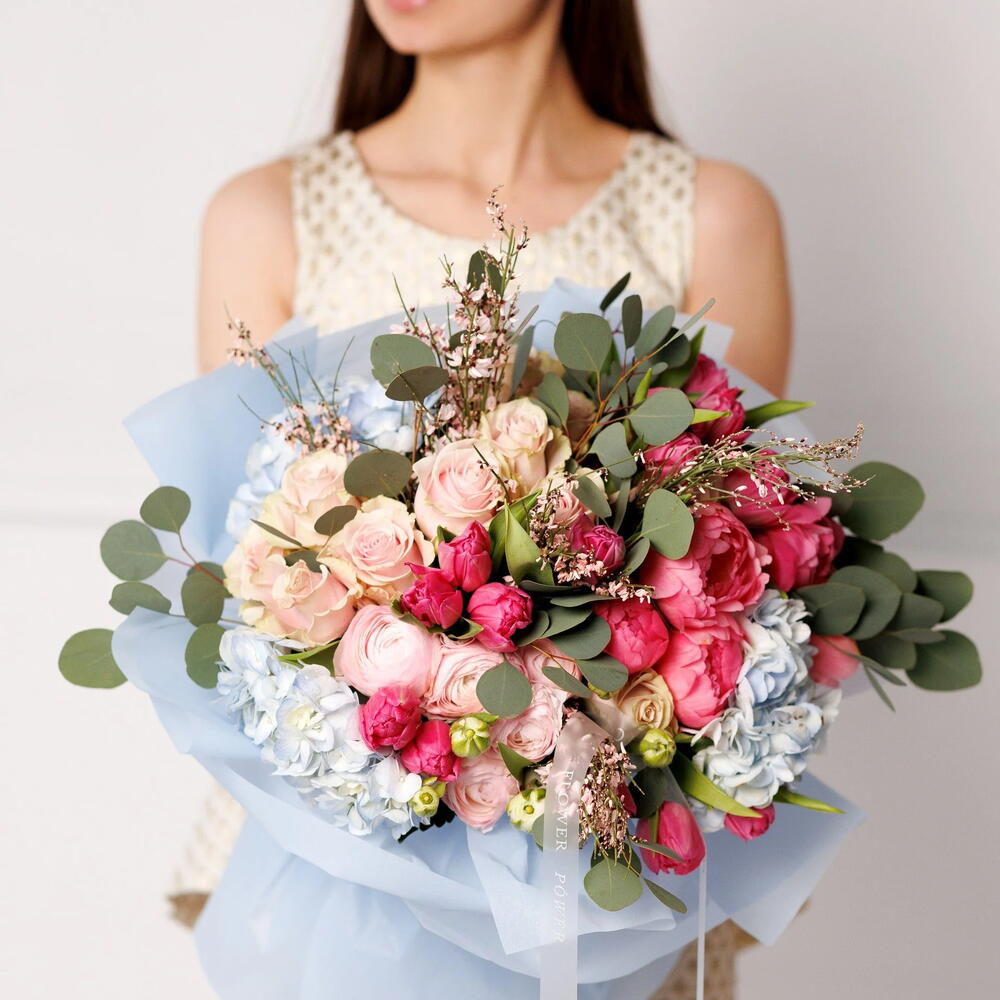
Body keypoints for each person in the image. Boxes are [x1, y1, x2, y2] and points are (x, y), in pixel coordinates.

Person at [186, 2, 790, 995]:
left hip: (602, 873)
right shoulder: (272, 216)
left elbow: (736, 579)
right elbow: (246, 577)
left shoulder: (708, 215)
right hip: (333, 870)